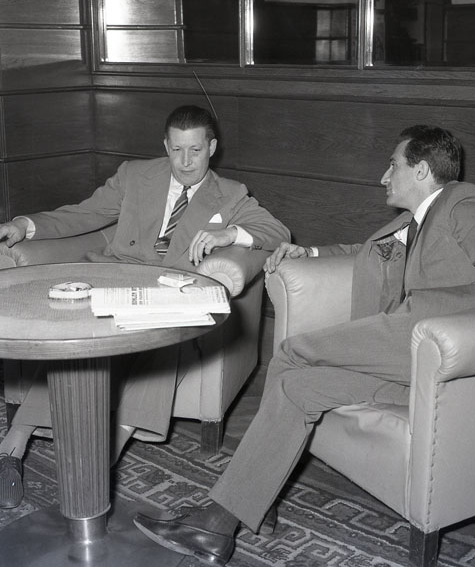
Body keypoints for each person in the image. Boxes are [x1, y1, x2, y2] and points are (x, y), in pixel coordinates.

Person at [134, 124, 475, 567]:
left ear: (421, 170)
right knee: (296, 388)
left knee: (292, 351)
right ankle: (237, 511)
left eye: (393, 166)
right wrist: (309, 254)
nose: (384, 176)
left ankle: (234, 510)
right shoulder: (415, 221)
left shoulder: (463, 202)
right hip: (407, 370)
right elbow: (366, 249)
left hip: (432, 348)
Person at [0, 104, 290, 509]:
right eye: (176, 150)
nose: (185, 162)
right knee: (79, 339)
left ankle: (105, 457)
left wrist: (230, 235)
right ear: (165, 146)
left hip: (169, 293)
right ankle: (12, 447)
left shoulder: (231, 194)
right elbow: (85, 213)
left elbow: (277, 231)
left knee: (165, 339)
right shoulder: (135, 176)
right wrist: (24, 225)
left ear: (211, 148)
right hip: (116, 280)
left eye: (195, 150)